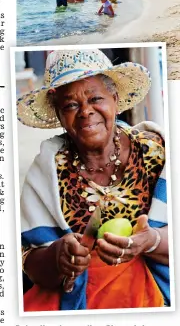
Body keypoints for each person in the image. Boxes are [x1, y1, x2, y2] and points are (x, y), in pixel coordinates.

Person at [18, 49, 169, 312]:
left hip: (157, 301)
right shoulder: (47, 171)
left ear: (115, 98)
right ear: (59, 114)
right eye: (71, 105)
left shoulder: (157, 154)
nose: (86, 111)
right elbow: (30, 264)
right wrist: (58, 257)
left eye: (96, 98)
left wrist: (151, 240)